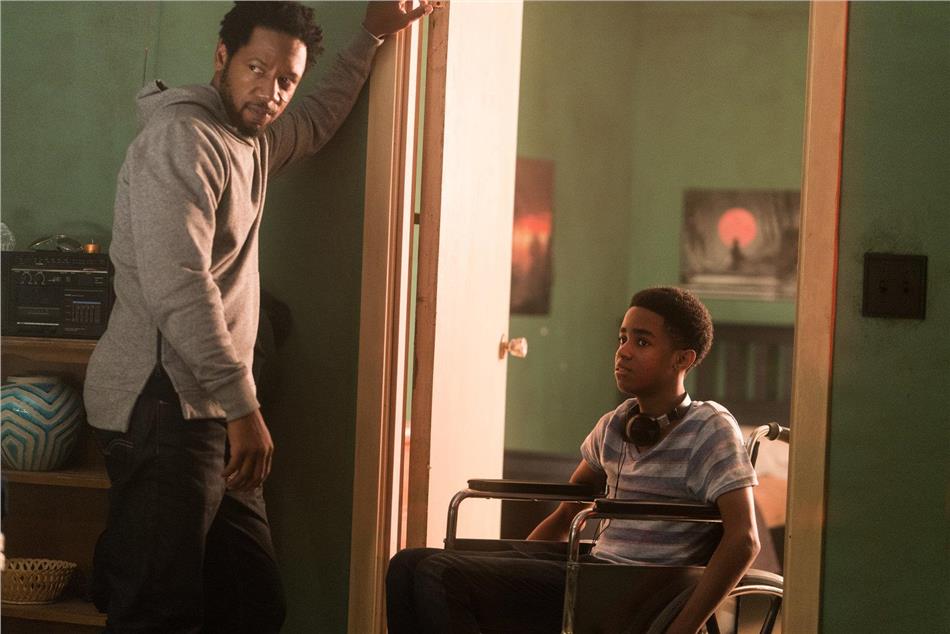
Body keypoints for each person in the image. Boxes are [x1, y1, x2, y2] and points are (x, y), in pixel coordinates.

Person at [83, 2, 430, 632]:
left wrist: (372, 35)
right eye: (256, 69)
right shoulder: (182, 139)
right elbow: (179, 287)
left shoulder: (251, 142)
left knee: (251, 604)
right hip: (162, 406)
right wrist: (244, 408)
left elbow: (316, 122)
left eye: (285, 79)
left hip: (212, 409)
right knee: (156, 613)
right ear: (223, 58)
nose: (270, 91)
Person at [386, 287, 760, 634]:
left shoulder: (710, 428)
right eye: (623, 338)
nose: (624, 352)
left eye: (642, 341)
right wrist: (514, 568)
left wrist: (683, 627)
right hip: (593, 573)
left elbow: (744, 540)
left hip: (636, 588)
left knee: (440, 574)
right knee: (406, 564)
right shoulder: (616, 424)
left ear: (683, 359)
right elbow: (568, 510)